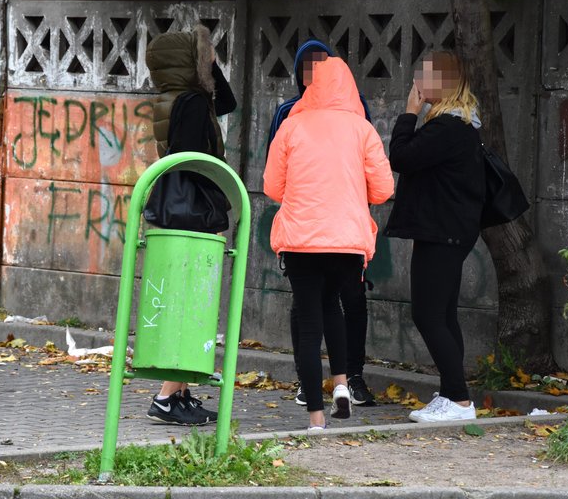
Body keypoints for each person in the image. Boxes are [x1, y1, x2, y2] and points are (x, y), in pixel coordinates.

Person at [264, 56, 393, 431]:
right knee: (335, 308)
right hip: (348, 242)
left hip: (302, 240)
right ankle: (341, 384)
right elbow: (384, 190)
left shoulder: (291, 126)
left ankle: (316, 419)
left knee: (308, 325)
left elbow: (272, 187)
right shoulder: (362, 129)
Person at [142, 24, 237, 426]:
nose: (211, 59)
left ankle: (181, 393)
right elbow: (195, 162)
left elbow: (227, 101)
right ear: (191, 63)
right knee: (189, 306)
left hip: (177, 211)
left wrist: (208, 67)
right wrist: (217, 205)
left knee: (185, 302)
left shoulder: (173, 97)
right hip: (191, 214)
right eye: (204, 55)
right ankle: (167, 396)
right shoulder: (193, 103)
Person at [383, 50, 485, 423]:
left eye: (423, 77)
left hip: (442, 232)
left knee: (427, 315)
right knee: (443, 315)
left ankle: (458, 400)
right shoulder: (461, 125)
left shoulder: (449, 128)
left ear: (442, 84)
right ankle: (453, 396)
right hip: (448, 231)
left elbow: (401, 157)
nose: (417, 82)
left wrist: (409, 111)